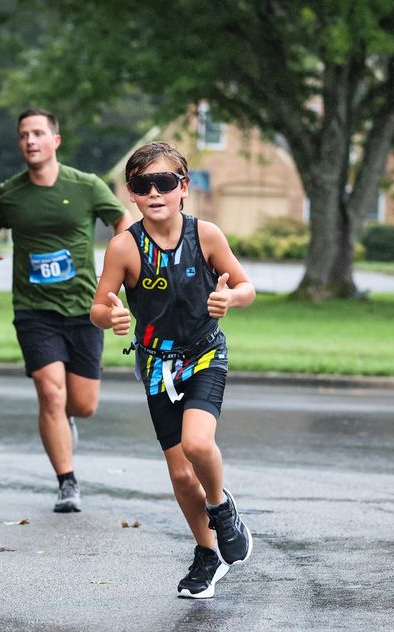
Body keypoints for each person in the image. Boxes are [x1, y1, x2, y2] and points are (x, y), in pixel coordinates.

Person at [91, 141, 255, 599]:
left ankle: (222, 510)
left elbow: (246, 287)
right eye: (144, 185)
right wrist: (112, 316)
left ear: (184, 187)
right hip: (157, 364)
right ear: (131, 194)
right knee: (182, 475)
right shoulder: (124, 247)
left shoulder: (206, 236)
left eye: (165, 182)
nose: (155, 192)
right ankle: (208, 553)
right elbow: (98, 308)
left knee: (198, 443)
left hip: (204, 354)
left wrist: (230, 298)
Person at [0, 108, 132, 513]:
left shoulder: (86, 186)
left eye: (38, 133)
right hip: (34, 309)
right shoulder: (9, 192)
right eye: (24, 134)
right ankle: (67, 482)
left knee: (82, 404)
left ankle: (67, 421)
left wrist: (121, 265)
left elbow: (122, 220)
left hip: (83, 307)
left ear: (55, 141)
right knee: (50, 392)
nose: (30, 140)